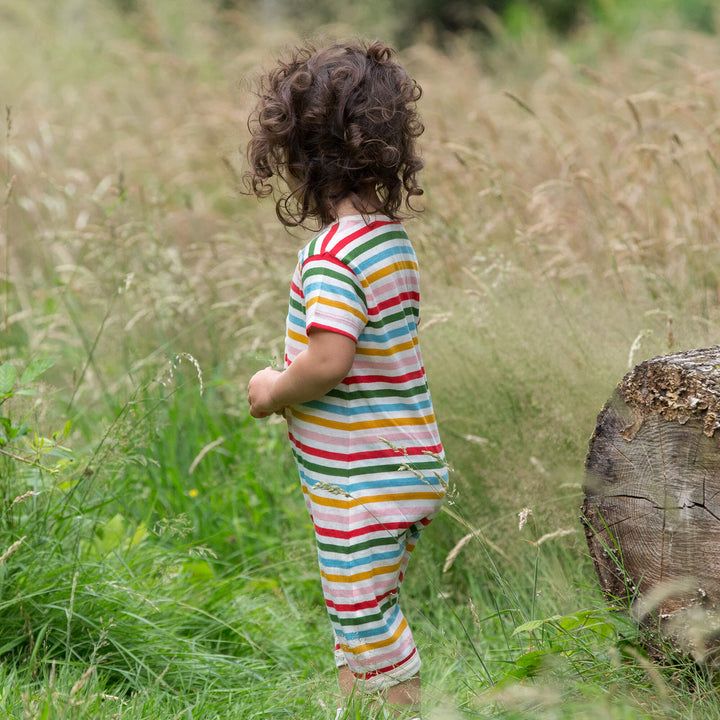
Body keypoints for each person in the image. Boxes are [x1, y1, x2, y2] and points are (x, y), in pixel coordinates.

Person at [245, 39, 448, 719]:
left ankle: (398, 710)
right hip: (403, 460)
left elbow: (330, 361)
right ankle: (355, 708)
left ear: (296, 156)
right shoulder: (391, 241)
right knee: (358, 608)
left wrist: (273, 389)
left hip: (362, 477)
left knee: (365, 616)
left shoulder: (331, 255)